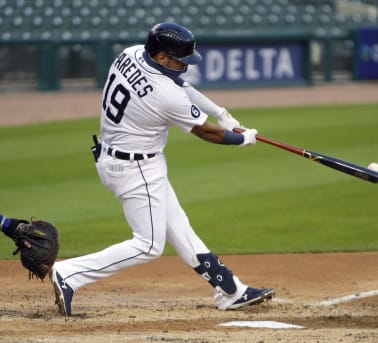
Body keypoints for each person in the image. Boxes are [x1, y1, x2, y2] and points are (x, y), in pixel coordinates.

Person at [49, 22, 275, 316]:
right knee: (149, 245)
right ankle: (69, 273)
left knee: (179, 227)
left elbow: (182, 85)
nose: (185, 65)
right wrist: (243, 138)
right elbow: (206, 133)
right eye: (179, 59)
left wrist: (222, 114)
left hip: (120, 156)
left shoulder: (130, 53)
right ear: (161, 57)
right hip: (136, 167)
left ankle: (230, 290)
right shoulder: (164, 93)